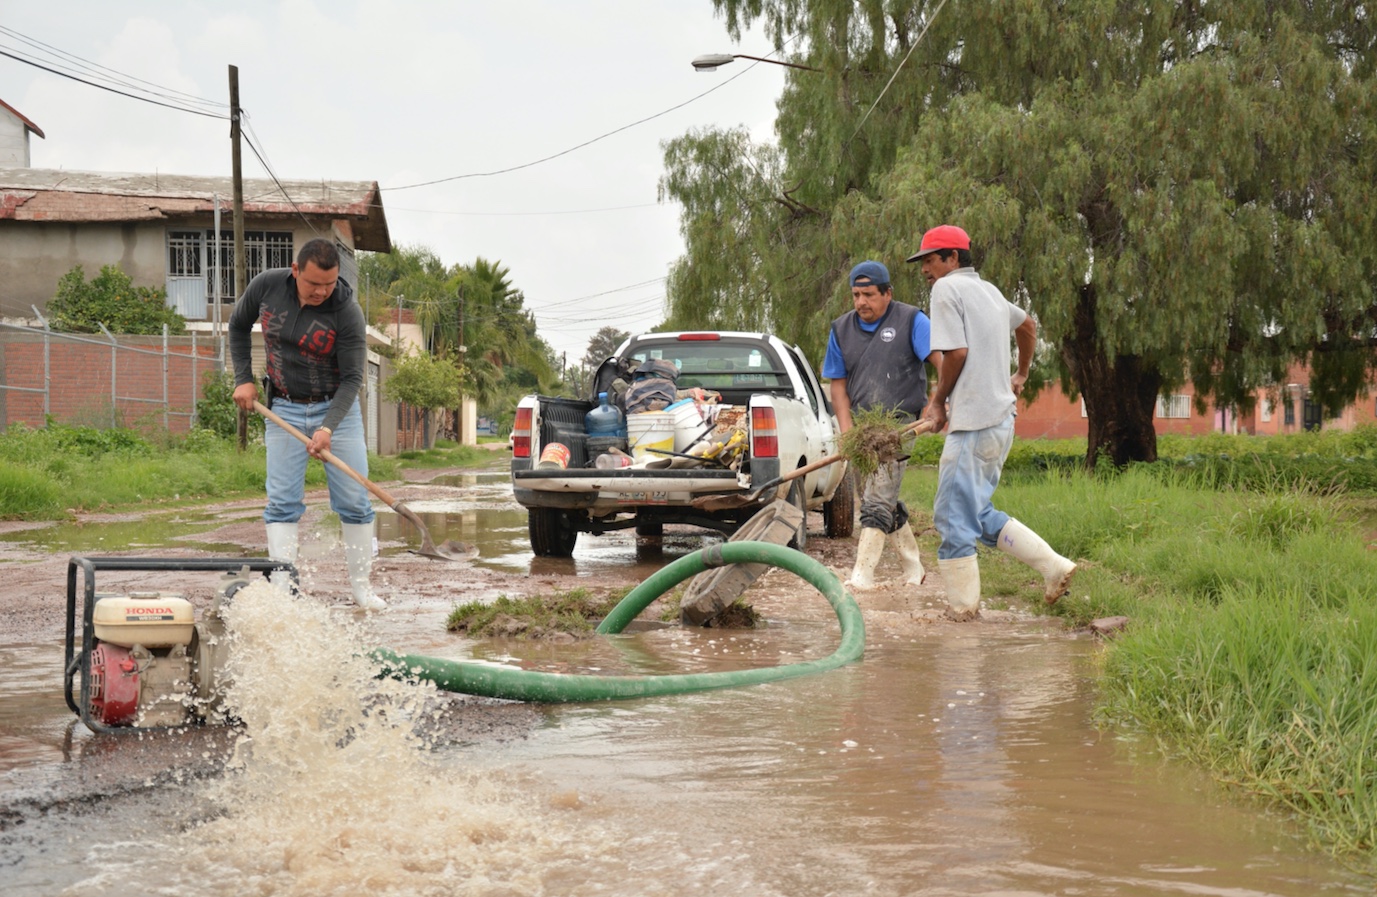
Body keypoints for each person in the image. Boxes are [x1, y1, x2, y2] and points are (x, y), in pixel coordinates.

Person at [910, 225, 1076, 620]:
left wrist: (938, 403)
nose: (924, 271)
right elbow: (1028, 325)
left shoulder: (947, 289)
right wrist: (1020, 375)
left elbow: (956, 353)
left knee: (952, 520)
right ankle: (1054, 567)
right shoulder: (990, 291)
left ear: (952, 258)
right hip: (1001, 420)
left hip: (974, 422)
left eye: (929, 261)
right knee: (974, 513)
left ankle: (963, 620)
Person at [229, 238, 386, 610]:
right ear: (296, 270)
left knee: (354, 501)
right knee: (282, 503)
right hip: (282, 407)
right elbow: (237, 326)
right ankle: (283, 591)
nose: (321, 292)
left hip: (338, 412)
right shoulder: (267, 285)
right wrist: (243, 378)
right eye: (314, 283)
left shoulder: (346, 311)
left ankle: (362, 590)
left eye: (329, 284)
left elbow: (352, 379)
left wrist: (328, 427)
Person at [823, 260, 942, 590]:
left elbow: (942, 361)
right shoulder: (841, 329)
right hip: (862, 429)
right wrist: (847, 433)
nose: (862, 302)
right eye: (856, 295)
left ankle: (862, 576)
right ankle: (913, 566)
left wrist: (938, 402)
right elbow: (837, 385)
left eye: (869, 295)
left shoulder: (912, 320)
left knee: (876, 500)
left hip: (900, 426)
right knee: (877, 498)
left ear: (888, 293)